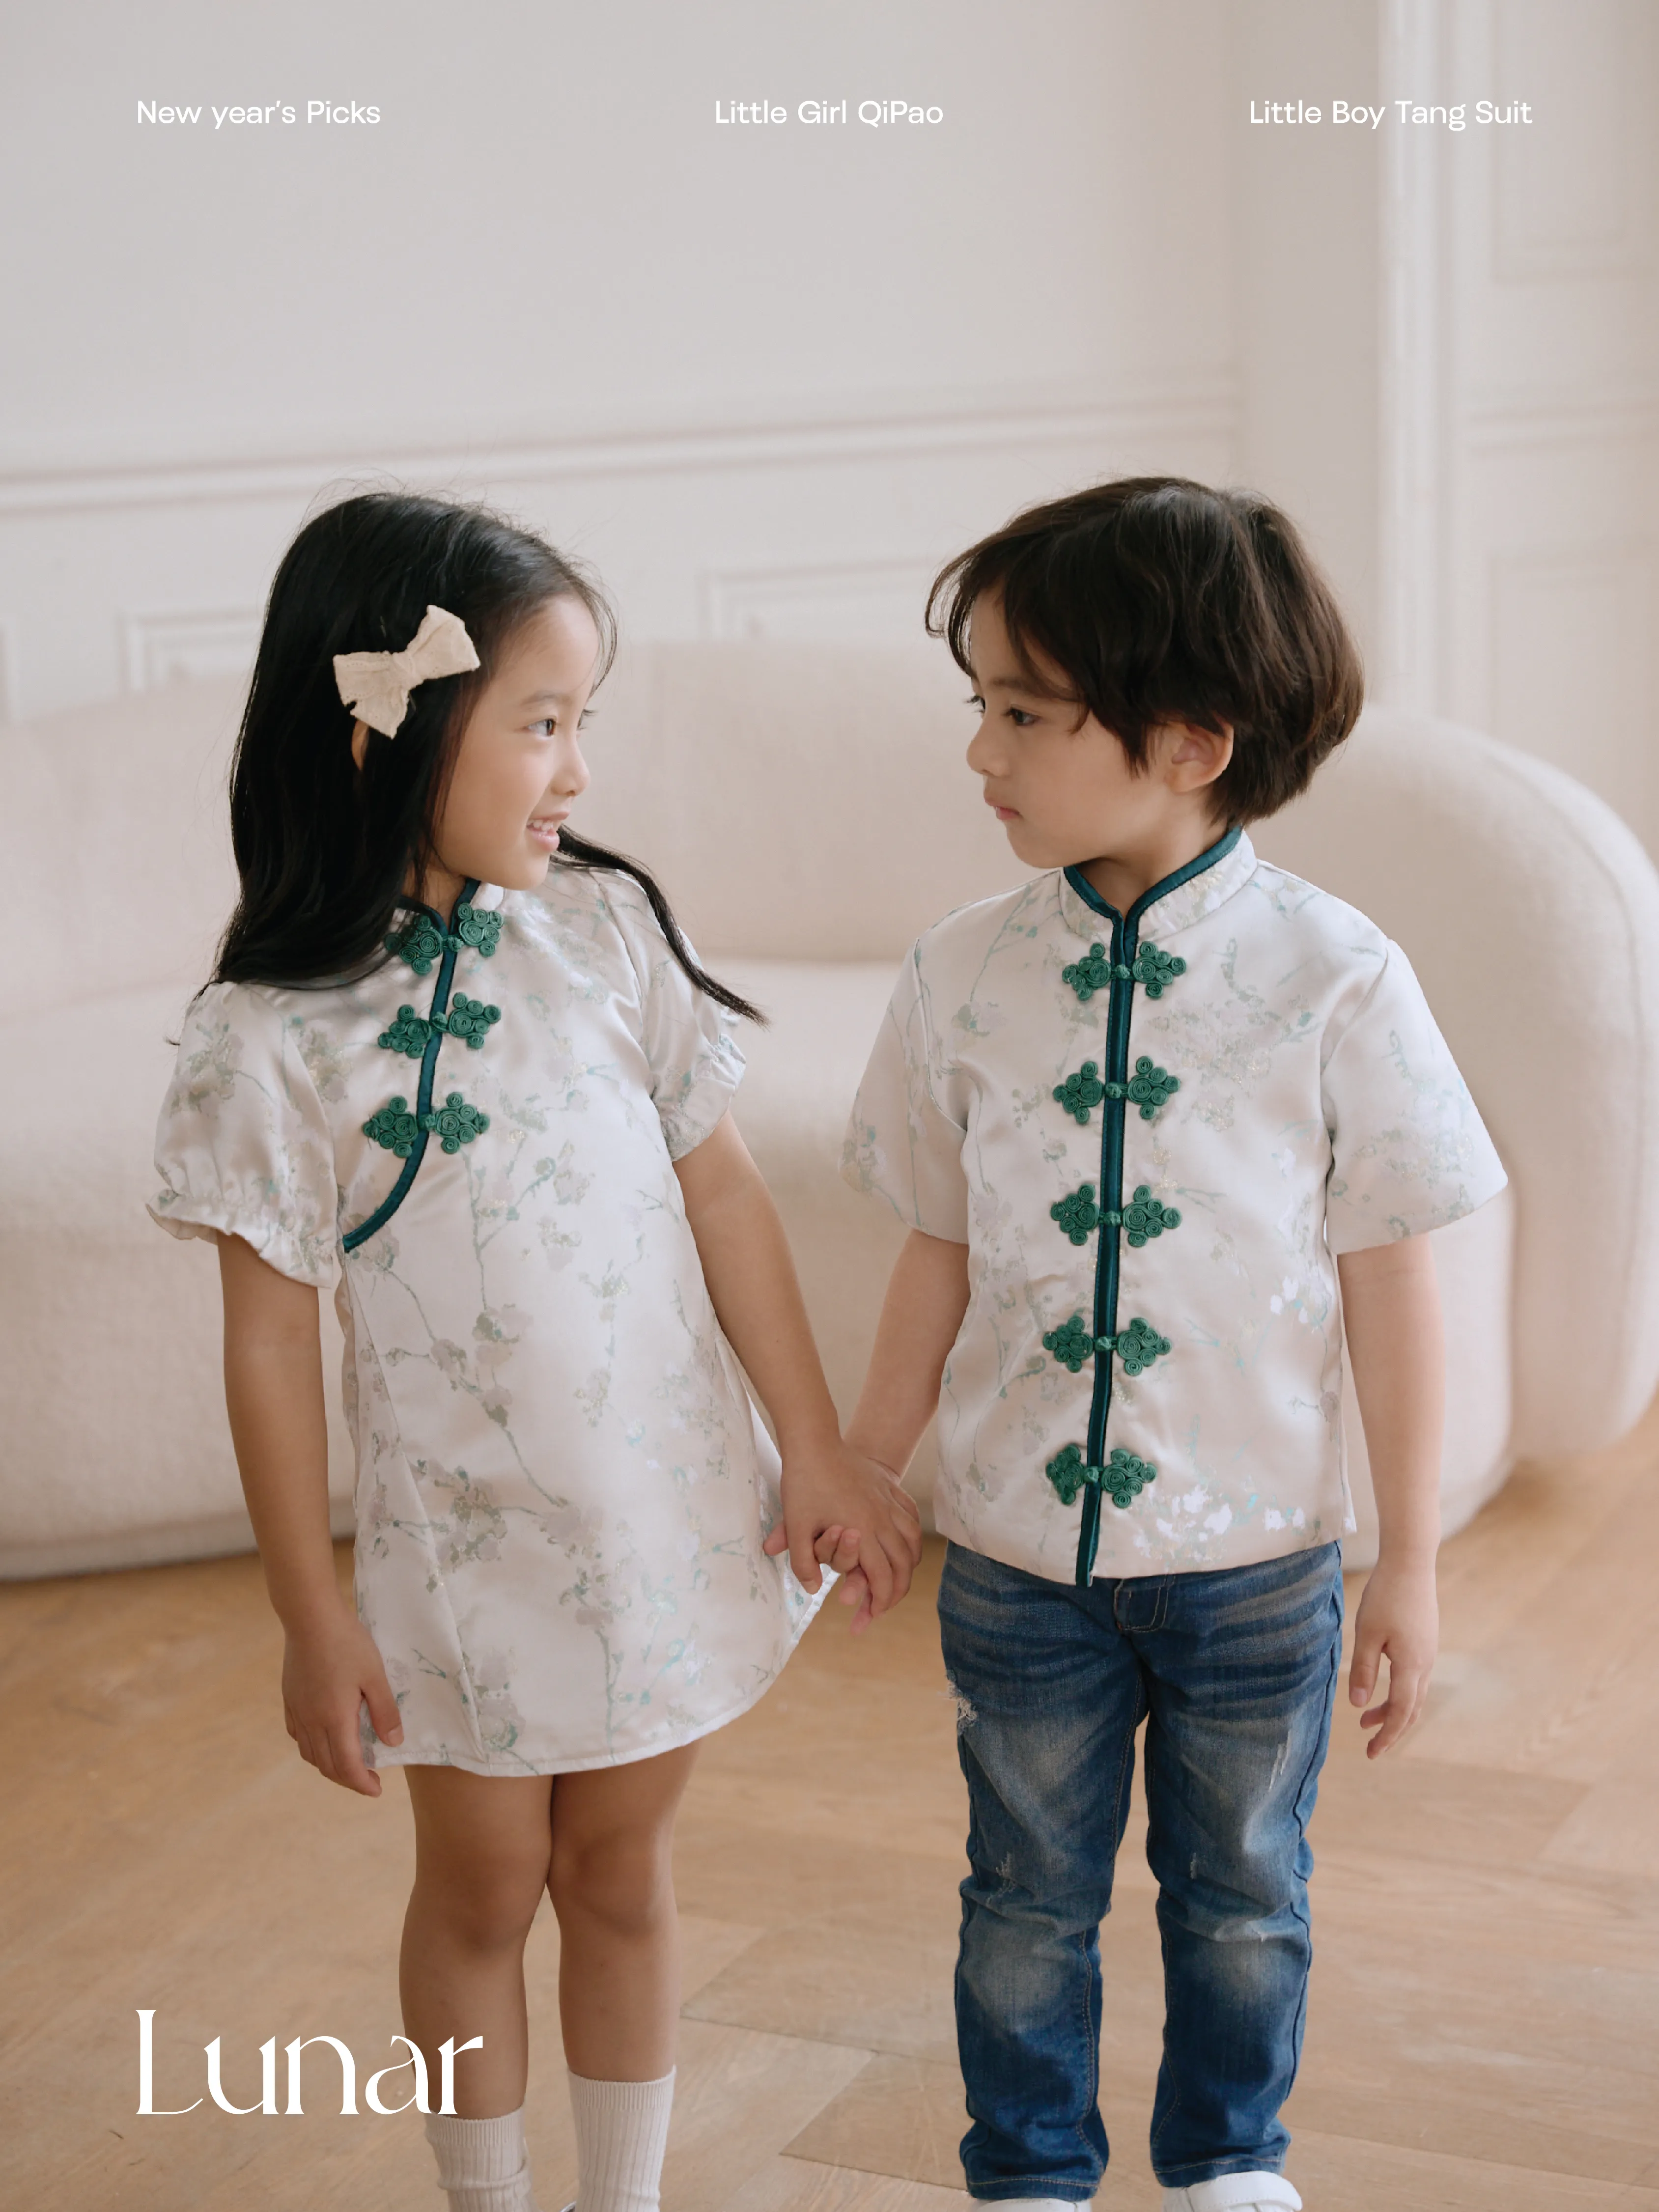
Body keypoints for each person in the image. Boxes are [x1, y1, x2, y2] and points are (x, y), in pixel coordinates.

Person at [149, 490, 920, 2212]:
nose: (577, 771)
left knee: (624, 1871)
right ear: (391, 733)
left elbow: (726, 1198)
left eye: (584, 723)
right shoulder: (267, 1038)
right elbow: (268, 1351)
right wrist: (310, 1614)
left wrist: (813, 1441)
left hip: (662, 1521)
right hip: (458, 1557)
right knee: (484, 1886)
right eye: (543, 724)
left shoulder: (606, 935)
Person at [835, 478, 1507, 2212]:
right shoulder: (961, 975)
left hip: (1258, 1566)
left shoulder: (1340, 979)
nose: (980, 751)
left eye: (1023, 713)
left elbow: (1394, 1287)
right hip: (1017, 1566)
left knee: (1245, 1896)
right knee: (1022, 1895)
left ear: (1193, 741)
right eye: (981, 704)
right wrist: (864, 1459)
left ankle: (1225, 2162)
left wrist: (1410, 1559)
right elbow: (935, 1248)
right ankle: (1030, 2174)